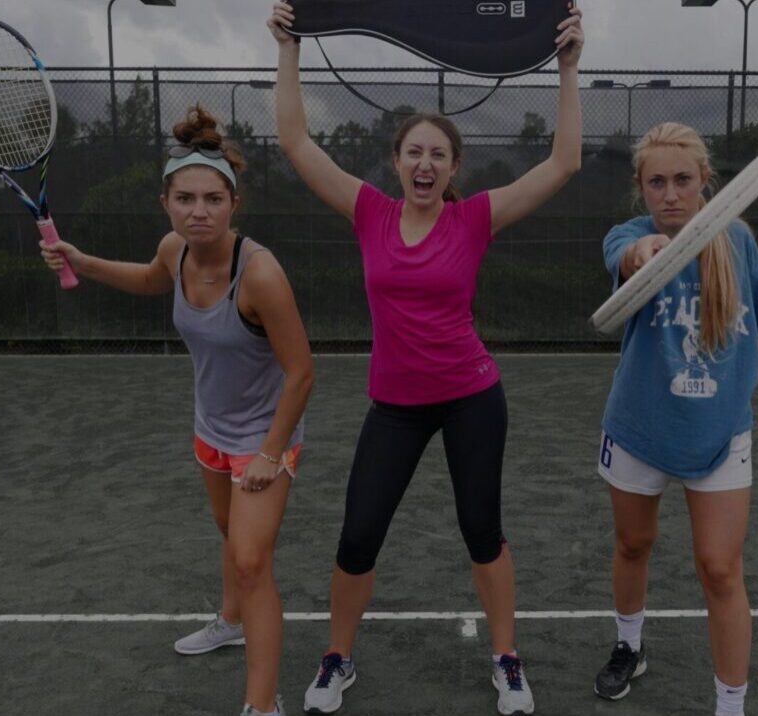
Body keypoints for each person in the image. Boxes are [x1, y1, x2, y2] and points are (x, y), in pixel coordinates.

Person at [266, 3, 582, 714]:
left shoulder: (474, 219)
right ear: (397, 160)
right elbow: (294, 140)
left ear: (453, 166)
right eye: (414, 152)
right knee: (358, 536)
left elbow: (565, 162)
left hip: (473, 397)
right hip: (395, 408)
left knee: (481, 530)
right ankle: (337, 659)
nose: (425, 163)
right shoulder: (370, 212)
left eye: (439, 154)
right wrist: (289, 48)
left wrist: (567, 68)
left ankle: (507, 660)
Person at [40, 105, 314, 716]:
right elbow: (148, 278)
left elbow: (302, 374)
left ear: (234, 203)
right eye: (186, 198)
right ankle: (230, 622)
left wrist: (271, 453)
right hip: (209, 430)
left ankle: (262, 705)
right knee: (229, 536)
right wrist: (82, 262)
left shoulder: (261, 274)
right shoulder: (176, 250)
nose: (199, 211)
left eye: (213, 199)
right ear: (166, 201)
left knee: (250, 561)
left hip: (264, 436)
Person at [592, 122, 758, 716]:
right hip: (639, 427)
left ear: (706, 180)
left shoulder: (739, 241)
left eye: (683, 179)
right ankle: (630, 647)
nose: (671, 193)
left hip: (721, 432)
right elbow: (623, 257)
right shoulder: (630, 235)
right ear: (641, 186)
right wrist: (642, 254)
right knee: (633, 544)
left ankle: (730, 704)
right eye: (657, 182)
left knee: (720, 568)